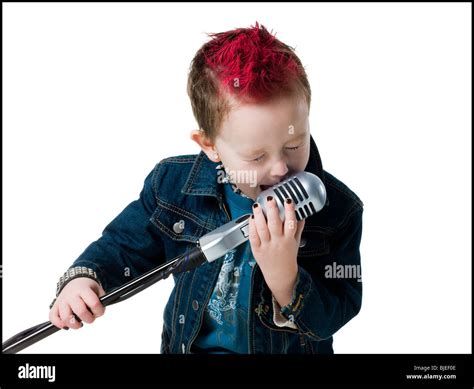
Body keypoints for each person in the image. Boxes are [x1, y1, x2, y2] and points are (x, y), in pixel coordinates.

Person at [49, 22, 364, 354]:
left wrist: (287, 281)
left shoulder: (339, 212)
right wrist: (84, 279)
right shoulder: (172, 187)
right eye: (256, 155)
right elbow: (123, 246)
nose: (280, 168)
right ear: (210, 145)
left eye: (294, 144)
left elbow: (340, 308)